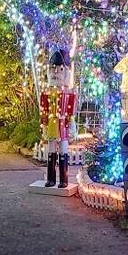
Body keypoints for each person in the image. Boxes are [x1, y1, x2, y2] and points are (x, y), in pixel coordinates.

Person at [39, 50, 77, 188]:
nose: (55, 72)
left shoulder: (69, 93)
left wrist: (72, 123)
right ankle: (50, 179)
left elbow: (71, 110)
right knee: (51, 149)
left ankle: (63, 180)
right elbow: (44, 110)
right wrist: (43, 125)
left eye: (59, 69)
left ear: (66, 72)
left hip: (63, 123)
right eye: (52, 69)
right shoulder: (46, 93)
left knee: (63, 149)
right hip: (51, 123)